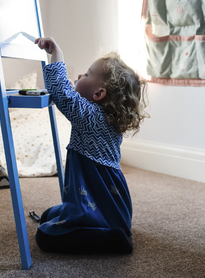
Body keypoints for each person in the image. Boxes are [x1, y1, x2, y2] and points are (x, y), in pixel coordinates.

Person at [33, 36, 148, 254]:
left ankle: (109, 240)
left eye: (86, 74)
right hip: (112, 203)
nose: (79, 76)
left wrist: (57, 54)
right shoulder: (104, 117)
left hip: (93, 199)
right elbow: (69, 93)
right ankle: (109, 229)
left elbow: (62, 94)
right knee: (50, 214)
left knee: (45, 235)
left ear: (98, 94)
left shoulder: (89, 116)